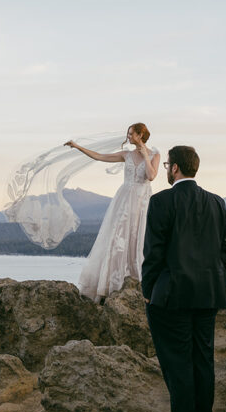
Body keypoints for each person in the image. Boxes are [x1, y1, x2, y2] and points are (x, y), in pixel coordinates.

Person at [141, 145, 226, 412]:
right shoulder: (216, 202)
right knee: (203, 362)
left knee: (178, 364)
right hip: (208, 294)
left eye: (167, 164)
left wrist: (148, 291)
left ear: (176, 168)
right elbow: (225, 250)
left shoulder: (161, 201)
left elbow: (153, 253)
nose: (166, 169)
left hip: (171, 296)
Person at [66, 123, 160, 301]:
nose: (128, 137)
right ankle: (112, 283)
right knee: (118, 238)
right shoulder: (126, 155)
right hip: (124, 201)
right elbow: (100, 157)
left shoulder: (155, 154)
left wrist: (146, 155)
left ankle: (140, 281)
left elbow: (151, 176)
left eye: (131, 134)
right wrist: (78, 147)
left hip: (142, 201)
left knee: (139, 238)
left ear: (141, 135)